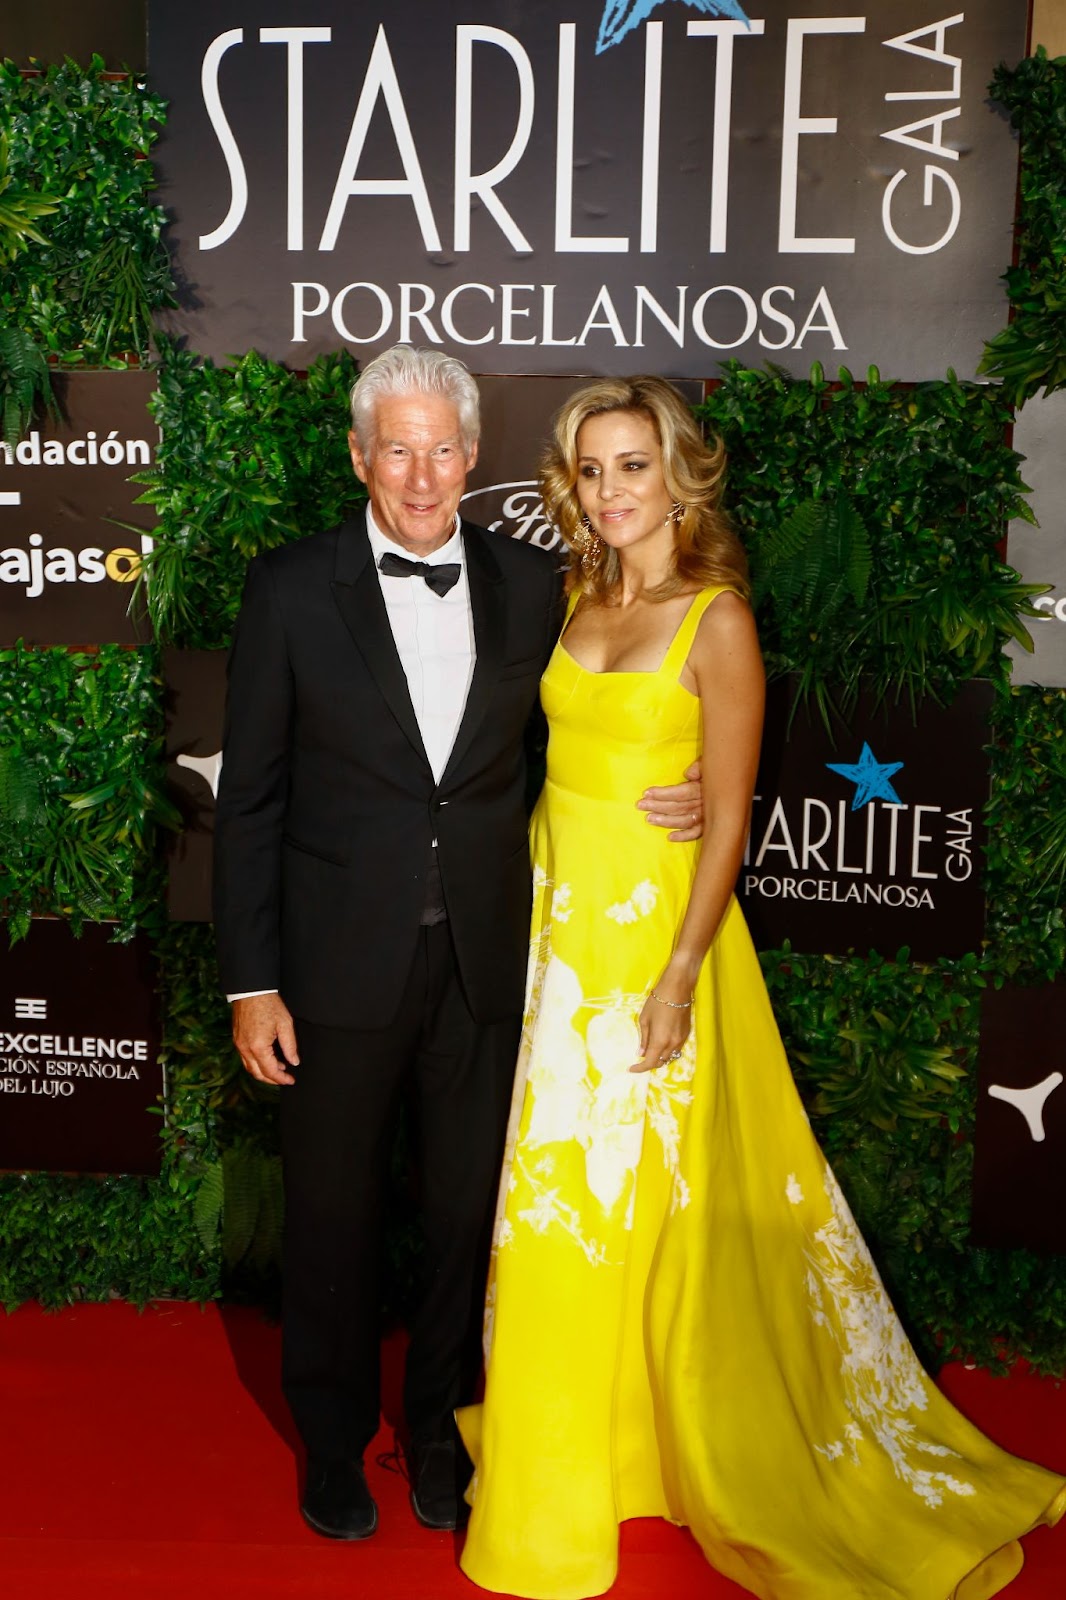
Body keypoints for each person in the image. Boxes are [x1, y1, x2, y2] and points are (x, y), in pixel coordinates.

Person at [457, 375, 1066, 1599]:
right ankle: (580, 1456)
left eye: (634, 464)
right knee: (561, 1205)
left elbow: (727, 822)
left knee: (647, 1204)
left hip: (654, 948)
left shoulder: (715, 618)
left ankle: (697, 1451)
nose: (612, 488)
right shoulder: (574, 594)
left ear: (681, 473)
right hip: (555, 928)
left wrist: (679, 972)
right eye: (592, 467)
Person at [211, 347, 704, 1543]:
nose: (421, 472)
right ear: (358, 455)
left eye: (443, 447)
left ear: (474, 456)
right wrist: (251, 981)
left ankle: (437, 1430)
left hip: (491, 959)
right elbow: (252, 803)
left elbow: (605, 711)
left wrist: (683, 778)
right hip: (333, 966)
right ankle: (330, 1442)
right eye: (397, 445)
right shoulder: (288, 588)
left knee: (460, 1216)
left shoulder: (537, 586)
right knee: (328, 1216)